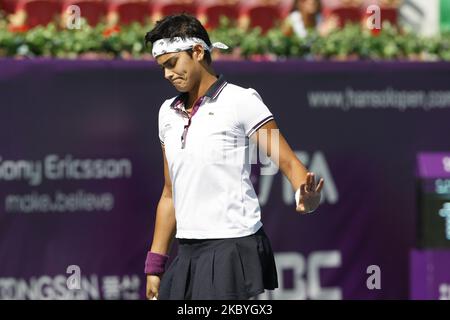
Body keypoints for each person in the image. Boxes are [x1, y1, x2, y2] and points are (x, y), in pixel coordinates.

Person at [144, 13, 324, 300]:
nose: (167, 74)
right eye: (162, 68)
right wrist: (155, 263)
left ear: (199, 52)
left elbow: (290, 164)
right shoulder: (166, 113)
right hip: (188, 250)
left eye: (172, 64)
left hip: (233, 247)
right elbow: (169, 194)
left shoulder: (242, 102)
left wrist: (309, 199)